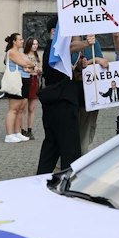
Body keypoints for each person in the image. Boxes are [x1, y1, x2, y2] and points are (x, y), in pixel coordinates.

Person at [36, 39, 91, 174]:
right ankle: (68, 179)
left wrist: (78, 68)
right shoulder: (54, 47)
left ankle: (41, 178)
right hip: (61, 102)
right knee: (69, 148)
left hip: (63, 100)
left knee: (52, 146)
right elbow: (63, 54)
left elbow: (67, 75)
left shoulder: (57, 48)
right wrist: (86, 43)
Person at [2, 33, 32, 144]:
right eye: (20, 39)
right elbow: (25, 63)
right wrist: (29, 65)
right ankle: (9, 134)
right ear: (14, 41)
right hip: (16, 81)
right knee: (13, 109)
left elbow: (31, 63)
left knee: (20, 109)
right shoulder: (12, 52)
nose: (22, 41)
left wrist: (29, 65)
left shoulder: (19, 53)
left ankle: (17, 132)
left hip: (24, 80)